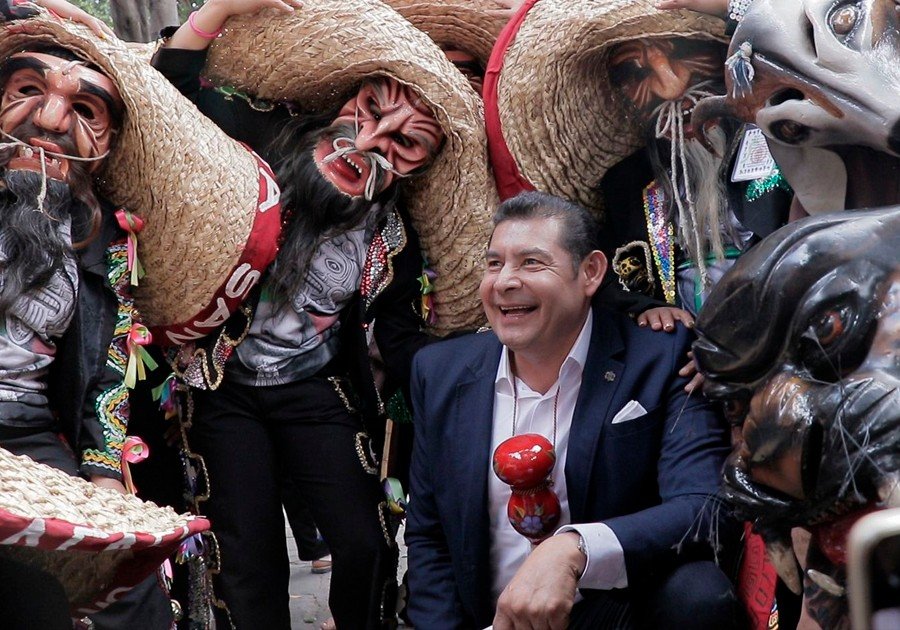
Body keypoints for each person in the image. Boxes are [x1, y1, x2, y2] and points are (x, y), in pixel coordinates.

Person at [150, 1, 495, 627]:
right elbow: (168, 92)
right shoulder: (259, 135)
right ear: (346, 97)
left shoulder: (393, 235)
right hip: (222, 389)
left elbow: (401, 338)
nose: (364, 143)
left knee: (364, 543)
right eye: (367, 112)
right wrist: (222, 8)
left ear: (418, 165)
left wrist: (490, 355)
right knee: (247, 559)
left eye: (402, 142)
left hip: (318, 391)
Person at [405, 190, 742, 629]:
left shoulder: (659, 358)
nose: (505, 281)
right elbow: (429, 536)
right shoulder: (440, 372)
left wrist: (575, 548)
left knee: (699, 595)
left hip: (612, 612)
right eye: (494, 263)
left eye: (531, 263)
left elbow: (703, 507)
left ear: (591, 272)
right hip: (490, 620)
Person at [0, 1, 174, 627]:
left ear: (107, 144)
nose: (48, 121)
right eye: (27, 91)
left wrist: (104, 476)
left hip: (30, 435)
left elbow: (108, 372)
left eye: (84, 111)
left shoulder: (105, 240)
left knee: (127, 592)